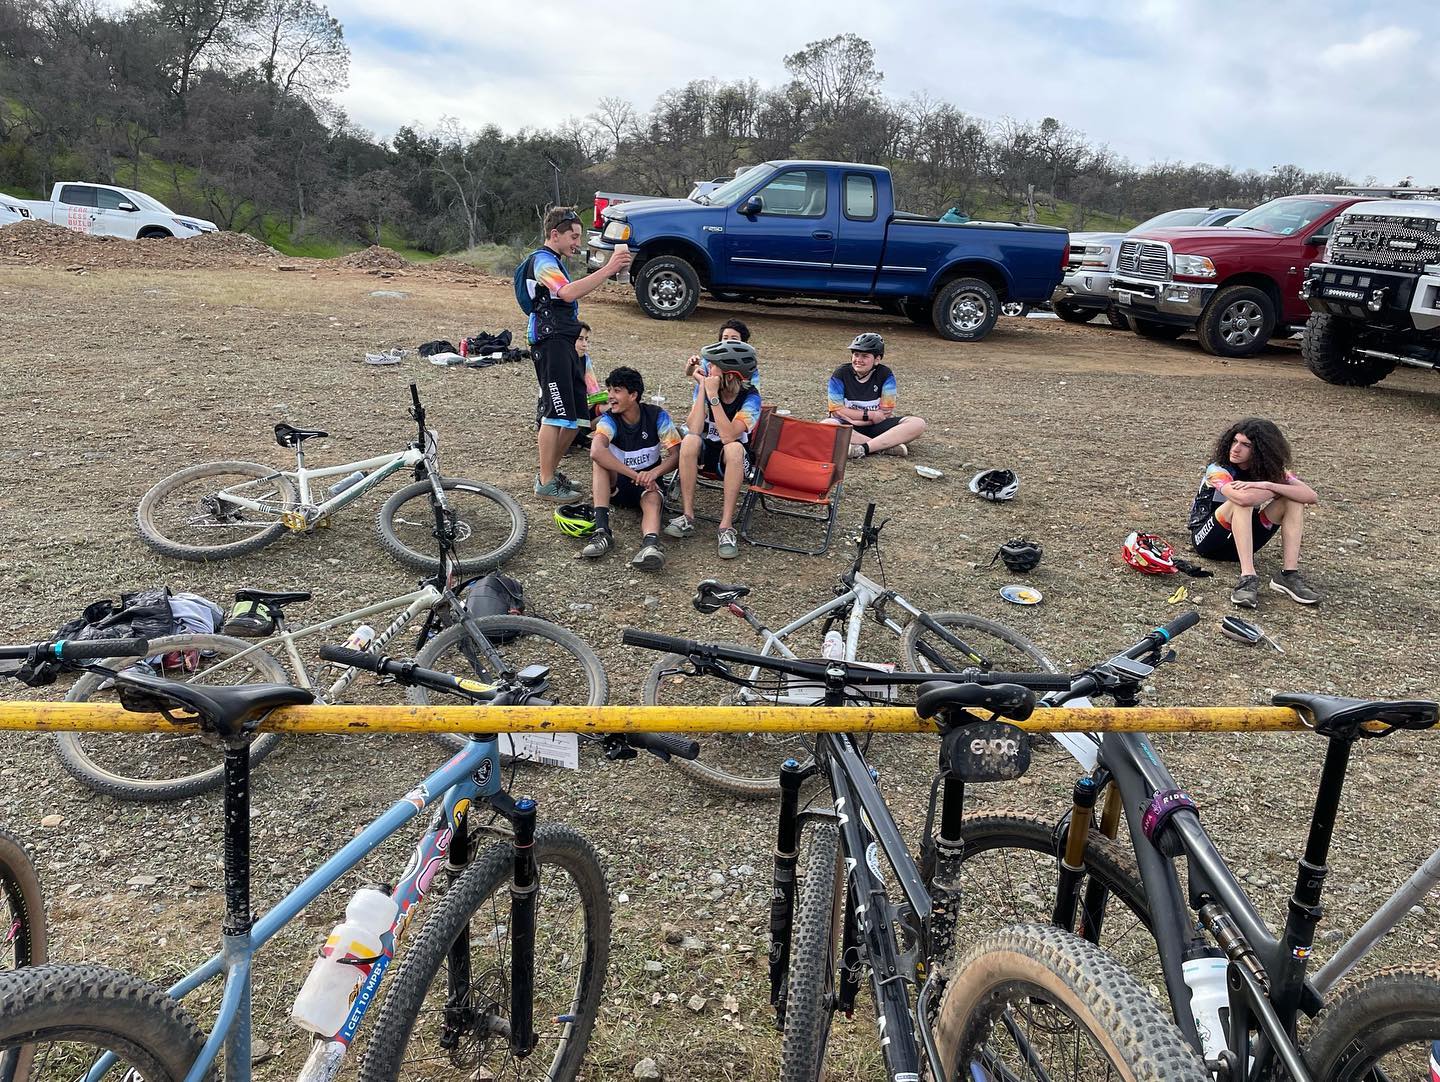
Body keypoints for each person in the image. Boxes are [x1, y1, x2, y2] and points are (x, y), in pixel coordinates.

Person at [520, 207, 631, 500]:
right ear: (554, 234)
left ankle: (549, 473)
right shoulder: (542, 261)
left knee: (575, 419)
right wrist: (608, 268)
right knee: (555, 414)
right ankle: (545, 481)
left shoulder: (555, 261)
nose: (577, 243)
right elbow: (567, 293)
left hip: (566, 344)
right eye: (574, 236)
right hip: (551, 343)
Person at [1188, 418, 1320, 607]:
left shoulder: (1270, 472)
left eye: (1246, 445)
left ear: (1261, 451)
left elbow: (1311, 496)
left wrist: (1268, 485)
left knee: (1293, 501)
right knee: (1240, 503)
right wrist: (1276, 488)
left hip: (1244, 543)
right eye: (1234, 441)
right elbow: (1243, 499)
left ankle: (1288, 575)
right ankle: (1248, 577)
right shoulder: (1218, 469)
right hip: (1209, 540)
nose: (1235, 449)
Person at [665, 340, 762, 560]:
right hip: (708, 449)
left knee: (734, 448)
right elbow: (694, 428)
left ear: (729, 373)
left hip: (735, 459)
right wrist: (703, 389)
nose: (707, 367)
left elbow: (728, 436)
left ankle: (726, 527)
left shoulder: (751, 397)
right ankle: (688, 516)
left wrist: (714, 398)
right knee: (690, 441)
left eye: (713, 365)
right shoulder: (707, 386)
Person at [582, 366, 680, 570]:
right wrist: (636, 475)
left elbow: (676, 454)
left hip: (648, 483)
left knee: (653, 498)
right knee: (599, 463)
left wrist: (653, 474)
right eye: (609, 390)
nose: (610, 396)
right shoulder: (610, 419)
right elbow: (596, 451)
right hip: (617, 484)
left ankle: (650, 545)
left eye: (617, 391)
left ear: (633, 395)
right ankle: (602, 532)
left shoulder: (656, 415)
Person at [822, 332, 927, 458]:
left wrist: (857, 419)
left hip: (876, 426)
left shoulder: (886, 374)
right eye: (856, 354)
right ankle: (885, 447)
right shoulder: (840, 374)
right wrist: (870, 415)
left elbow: (885, 413)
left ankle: (862, 448)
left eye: (865, 356)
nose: (858, 360)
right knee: (827, 425)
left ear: (877, 359)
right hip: (848, 426)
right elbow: (837, 411)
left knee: (918, 423)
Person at [684, 319, 760, 385]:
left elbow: (754, 392)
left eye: (734, 339)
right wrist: (691, 364)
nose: (728, 341)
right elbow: (690, 372)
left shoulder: (749, 365)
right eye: (725, 338)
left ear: (743, 342)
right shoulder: (712, 360)